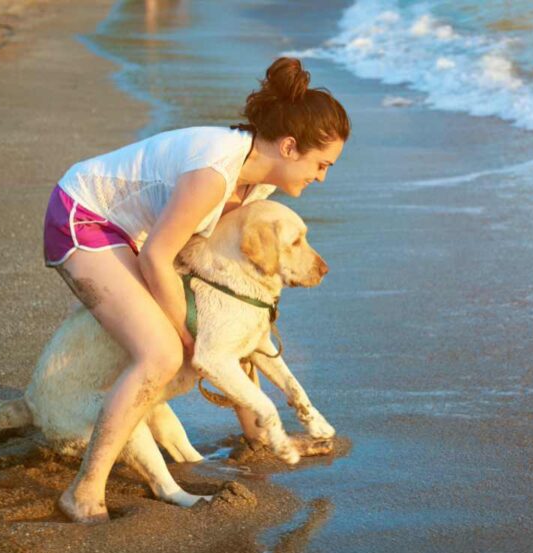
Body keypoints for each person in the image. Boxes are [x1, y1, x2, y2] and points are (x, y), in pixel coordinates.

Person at [42, 57, 349, 523]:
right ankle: (84, 491)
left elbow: (229, 317)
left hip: (133, 232)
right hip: (83, 217)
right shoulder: (215, 173)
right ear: (290, 146)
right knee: (163, 353)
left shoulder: (256, 187)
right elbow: (157, 258)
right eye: (321, 164)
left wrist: (215, 337)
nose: (322, 176)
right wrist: (186, 335)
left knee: (234, 319)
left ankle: (255, 435)